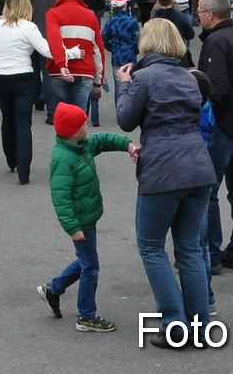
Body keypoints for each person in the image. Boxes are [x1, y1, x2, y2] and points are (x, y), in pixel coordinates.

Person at [116, 19, 217, 347]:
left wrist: (124, 85)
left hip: (163, 168)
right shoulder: (189, 77)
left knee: (151, 246)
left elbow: (126, 120)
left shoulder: (143, 77)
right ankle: (199, 327)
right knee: (189, 249)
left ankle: (175, 325)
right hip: (197, 165)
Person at [34, 103, 134, 331]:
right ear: (73, 132)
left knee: (86, 261)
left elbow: (104, 140)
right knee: (91, 267)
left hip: (89, 215)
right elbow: (60, 197)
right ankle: (86, 316)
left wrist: (127, 145)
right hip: (81, 222)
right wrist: (72, 226)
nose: (87, 126)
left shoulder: (82, 145)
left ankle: (53, 290)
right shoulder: (62, 159)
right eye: (83, 124)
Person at [195, 0, 233, 273]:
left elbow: (214, 87)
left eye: (199, 12)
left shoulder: (216, 41)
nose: (198, 16)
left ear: (210, 14)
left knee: (208, 189)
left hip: (223, 122)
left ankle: (211, 252)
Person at [0, 0, 51, 184]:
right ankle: (24, 171)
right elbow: (47, 50)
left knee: (7, 119)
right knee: (23, 122)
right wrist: (71, 53)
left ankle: (11, 160)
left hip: (0, 76)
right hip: (23, 76)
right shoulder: (29, 27)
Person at [46, 0, 107, 119]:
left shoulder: (53, 14)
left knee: (63, 118)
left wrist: (61, 64)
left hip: (59, 72)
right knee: (79, 117)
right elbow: (98, 49)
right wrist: (99, 79)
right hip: (85, 70)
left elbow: (54, 40)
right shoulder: (89, 15)